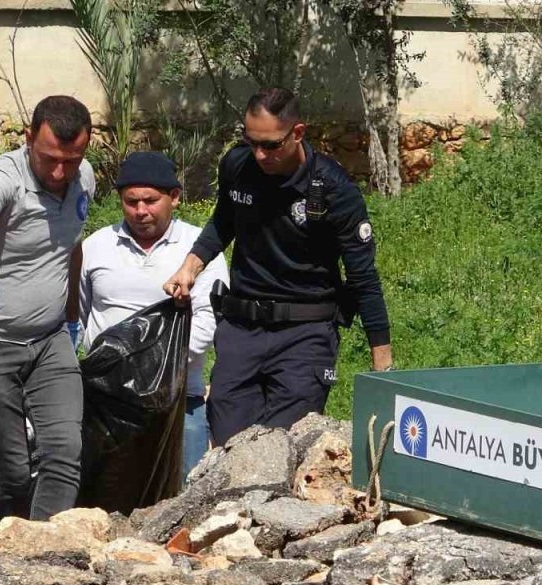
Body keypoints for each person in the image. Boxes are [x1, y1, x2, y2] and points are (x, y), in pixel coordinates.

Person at [163, 87, 393, 445]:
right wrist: (190, 266)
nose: (259, 154)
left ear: (297, 133)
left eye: (270, 145)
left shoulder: (333, 188)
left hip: (305, 334)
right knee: (228, 445)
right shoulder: (238, 166)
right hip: (241, 330)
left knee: (284, 447)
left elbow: (363, 277)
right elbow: (224, 222)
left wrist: (383, 363)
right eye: (250, 141)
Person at [0, 95, 95, 523]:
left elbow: (70, 247)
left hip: (49, 340)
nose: (59, 172)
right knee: (13, 469)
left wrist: (70, 317)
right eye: (49, 158)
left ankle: (48, 551)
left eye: (72, 159)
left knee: (64, 453)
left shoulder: (82, 177)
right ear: (28, 138)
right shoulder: (4, 175)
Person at [79, 152, 227, 480]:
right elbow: (77, 316)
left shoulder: (199, 249)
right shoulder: (96, 246)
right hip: (108, 407)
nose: (141, 211)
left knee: (182, 501)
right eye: (131, 202)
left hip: (178, 404)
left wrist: (151, 370)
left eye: (150, 200)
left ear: (174, 197)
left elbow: (209, 320)